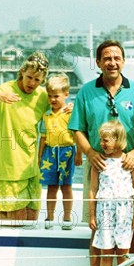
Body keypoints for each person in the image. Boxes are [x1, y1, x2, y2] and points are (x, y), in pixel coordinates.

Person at [68, 40, 134, 266]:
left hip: (130, 169)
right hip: (98, 170)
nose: (112, 62)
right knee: (97, 233)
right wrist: (90, 153)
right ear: (98, 62)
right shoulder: (85, 92)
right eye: (106, 58)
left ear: (124, 61)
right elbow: (77, 129)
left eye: (117, 57)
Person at [0, 52, 50, 221]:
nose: (32, 83)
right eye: (29, 77)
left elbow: (57, 108)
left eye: (37, 80)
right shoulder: (6, 90)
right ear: (22, 72)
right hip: (7, 167)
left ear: (42, 80)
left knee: (31, 220)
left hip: (31, 167)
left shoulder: (43, 96)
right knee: (16, 221)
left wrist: (67, 108)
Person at [89, 120, 134, 266]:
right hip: (105, 211)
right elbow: (93, 190)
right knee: (106, 254)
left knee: (123, 255)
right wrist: (92, 216)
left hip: (124, 211)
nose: (102, 144)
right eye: (101, 140)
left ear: (118, 140)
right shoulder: (99, 163)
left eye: (106, 140)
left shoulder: (129, 162)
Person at [38, 73, 82, 230]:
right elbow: (43, 138)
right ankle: (49, 216)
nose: (52, 99)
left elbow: (77, 135)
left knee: (66, 186)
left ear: (66, 95)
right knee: (51, 186)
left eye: (56, 96)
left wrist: (79, 154)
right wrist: (39, 158)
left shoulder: (71, 113)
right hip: (50, 153)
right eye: (49, 96)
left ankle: (67, 217)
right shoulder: (47, 115)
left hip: (67, 152)